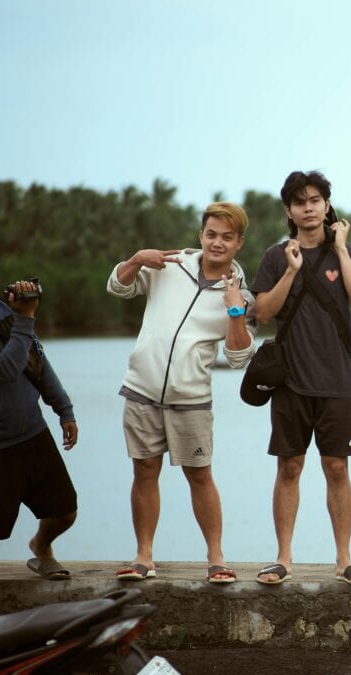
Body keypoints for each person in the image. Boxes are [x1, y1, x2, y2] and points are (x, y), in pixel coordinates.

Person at [106, 202, 255, 584]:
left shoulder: (239, 293)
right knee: (144, 470)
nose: (216, 243)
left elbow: (238, 357)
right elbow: (118, 286)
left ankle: (216, 559)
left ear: (239, 242)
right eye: (211, 234)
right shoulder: (168, 266)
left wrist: (235, 311)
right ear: (200, 235)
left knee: (200, 475)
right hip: (141, 390)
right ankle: (143, 557)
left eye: (226, 237)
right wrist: (137, 259)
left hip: (191, 400)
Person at [250, 170, 351, 586]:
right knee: (290, 466)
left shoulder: (348, 252)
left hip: (337, 380)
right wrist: (289, 271)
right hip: (290, 380)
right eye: (300, 202)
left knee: (337, 467)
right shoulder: (274, 256)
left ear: (326, 205)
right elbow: (263, 313)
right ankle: (283, 558)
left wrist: (339, 249)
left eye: (315, 200)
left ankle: (344, 559)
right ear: (288, 209)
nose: (308, 207)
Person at [0, 244, 79, 619]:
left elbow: (35, 361)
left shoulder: (3, 308)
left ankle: (40, 548)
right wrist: (26, 318)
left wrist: (63, 408)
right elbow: (3, 367)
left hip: (32, 433)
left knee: (65, 511)